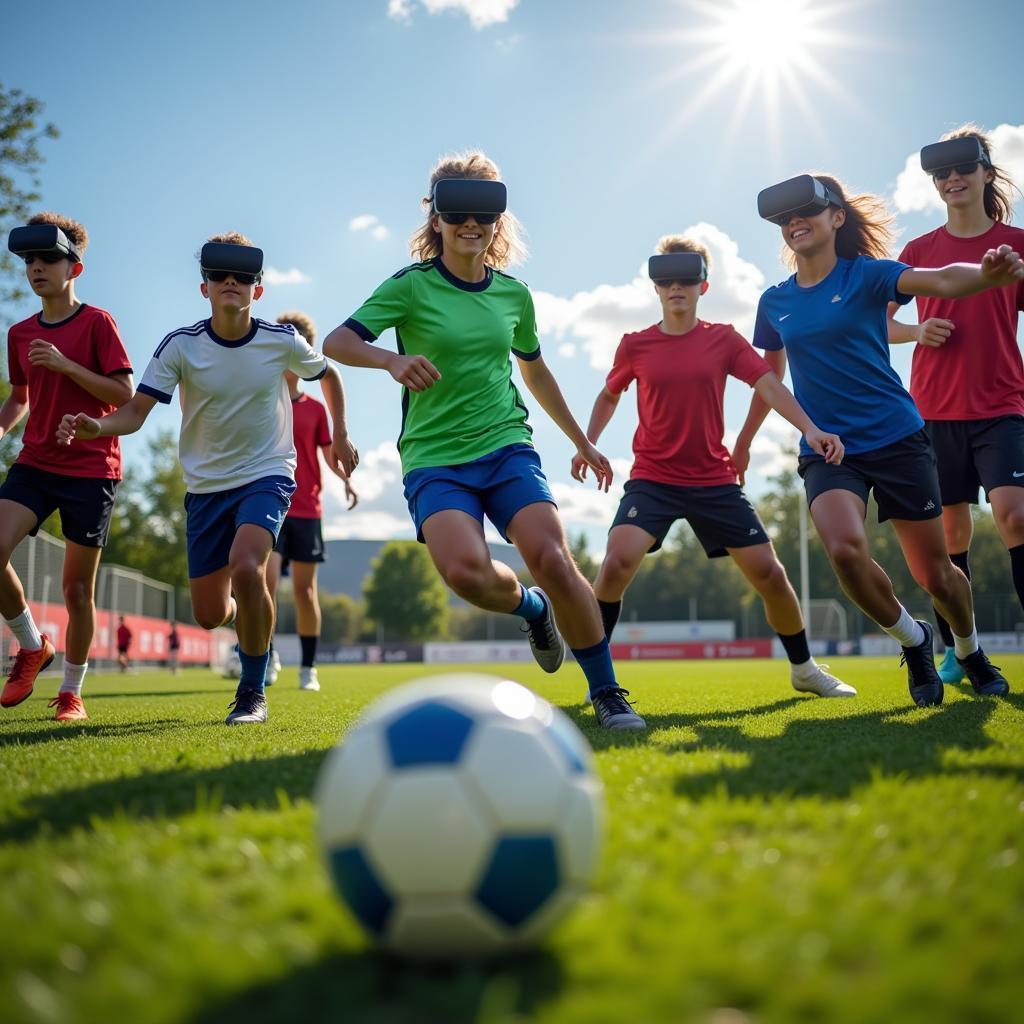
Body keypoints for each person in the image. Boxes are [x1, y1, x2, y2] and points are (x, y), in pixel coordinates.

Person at [322, 151, 644, 730]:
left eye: (485, 214)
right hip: (435, 460)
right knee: (466, 573)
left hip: (506, 448)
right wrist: (390, 360)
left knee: (551, 556)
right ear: (436, 218)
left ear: (499, 222)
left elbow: (536, 372)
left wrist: (582, 441)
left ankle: (607, 691)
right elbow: (338, 342)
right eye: (458, 212)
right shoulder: (410, 288)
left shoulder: (514, 296)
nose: (472, 224)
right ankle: (532, 608)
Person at [57, 232, 358, 725]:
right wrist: (98, 426)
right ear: (205, 288)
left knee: (248, 567)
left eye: (244, 276)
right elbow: (134, 411)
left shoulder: (280, 341)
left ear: (258, 290)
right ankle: (250, 616)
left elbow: (329, 374)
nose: (231, 283)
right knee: (210, 614)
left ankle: (251, 692)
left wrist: (341, 434)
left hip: (268, 474)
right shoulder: (181, 346)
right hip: (205, 489)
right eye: (220, 275)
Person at [748, 173, 1020, 704]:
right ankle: (913, 640)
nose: (794, 223)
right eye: (785, 219)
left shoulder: (868, 276)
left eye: (806, 212)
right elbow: (768, 380)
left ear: (837, 218)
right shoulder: (773, 302)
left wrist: (986, 276)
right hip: (829, 449)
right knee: (845, 552)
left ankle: (967, 649)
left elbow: (940, 280)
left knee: (937, 575)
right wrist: (807, 429)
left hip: (898, 439)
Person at [576, 235, 855, 698]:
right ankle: (599, 680)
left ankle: (804, 669)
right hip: (653, 478)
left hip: (713, 479)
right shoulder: (635, 345)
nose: (676, 287)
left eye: (687, 278)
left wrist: (810, 427)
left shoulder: (722, 339)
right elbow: (609, 394)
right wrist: (588, 442)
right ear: (656, 288)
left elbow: (768, 384)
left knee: (770, 575)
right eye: (666, 280)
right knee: (615, 564)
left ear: (704, 285)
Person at [887, 124, 1024, 683]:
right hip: (935, 414)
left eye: (963, 168)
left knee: (1015, 516)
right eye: (940, 173)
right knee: (951, 540)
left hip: (1003, 407)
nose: (951, 179)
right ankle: (956, 649)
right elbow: (879, 322)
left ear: (986, 173)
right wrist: (916, 334)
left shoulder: (1016, 244)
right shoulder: (919, 252)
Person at [0, 213, 133, 721]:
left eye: (48, 258)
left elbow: (123, 394)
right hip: (34, 461)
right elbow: (19, 398)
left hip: (92, 468)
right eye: (29, 260)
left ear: (74, 267)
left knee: (77, 590)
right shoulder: (19, 332)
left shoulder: (98, 323)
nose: (36, 268)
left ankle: (71, 693)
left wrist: (66, 365)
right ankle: (32, 646)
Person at [265, 310, 358, 692]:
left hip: (307, 509)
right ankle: (265, 659)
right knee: (264, 585)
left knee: (305, 592)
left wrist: (346, 481)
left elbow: (327, 453)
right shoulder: (262, 398)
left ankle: (308, 668)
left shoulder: (318, 408)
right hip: (268, 504)